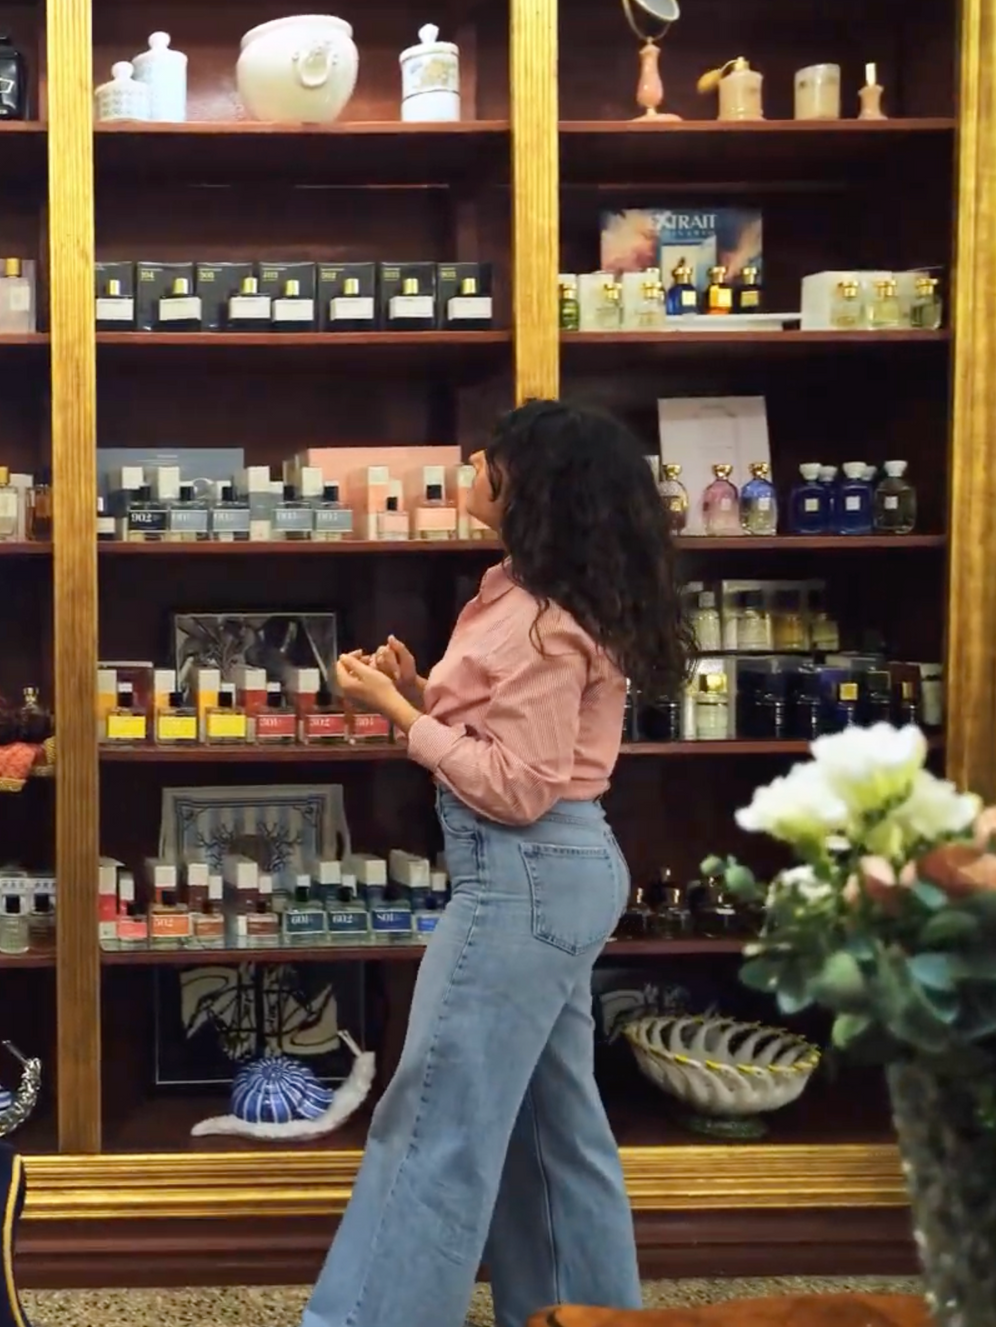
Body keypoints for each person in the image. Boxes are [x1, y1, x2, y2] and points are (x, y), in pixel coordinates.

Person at [307, 400, 689, 1327]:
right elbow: (505, 722)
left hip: (521, 871)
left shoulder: (542, 621)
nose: (476, 462)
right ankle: (586, 1313)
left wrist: (402, 718)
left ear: (534, 489)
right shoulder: (524, 593)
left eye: (496, 459)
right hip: (548, 874)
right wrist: (419, 690)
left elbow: (516, 784)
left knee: (432, 1117)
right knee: (553, 1128)